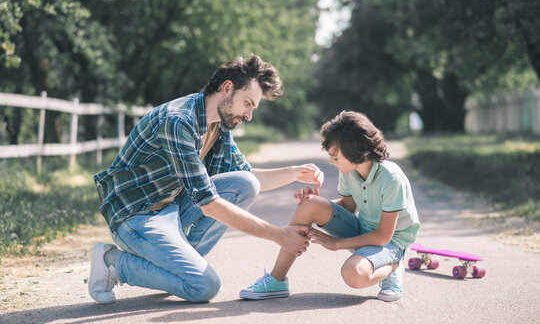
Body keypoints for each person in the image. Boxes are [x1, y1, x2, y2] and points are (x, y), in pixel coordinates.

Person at [88, 54, 324, 304]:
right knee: (204, 286)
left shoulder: (217, 123)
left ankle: (176, 269)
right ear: (226, 88)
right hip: (135, 216)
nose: (249, 115)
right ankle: (112, 261)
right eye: (247, 104)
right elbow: (208, 203)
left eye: (252, 107)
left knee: (246, 184)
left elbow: (248, 176)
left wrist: (295, 173)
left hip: (170, 208)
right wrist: (279, 235)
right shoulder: (177, 121)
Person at [239, 111, 420, 302]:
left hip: (391, 242)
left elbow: (383, 236)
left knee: (353, 273)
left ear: (355, 151)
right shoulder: (350, 169)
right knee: (309, 204)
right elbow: (348, 207)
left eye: (335, 156)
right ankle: (276, 280)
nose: (331, 162)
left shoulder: (392, 179)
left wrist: (337, 244)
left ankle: (393, 265)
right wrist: (313, 204)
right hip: (363, 229)